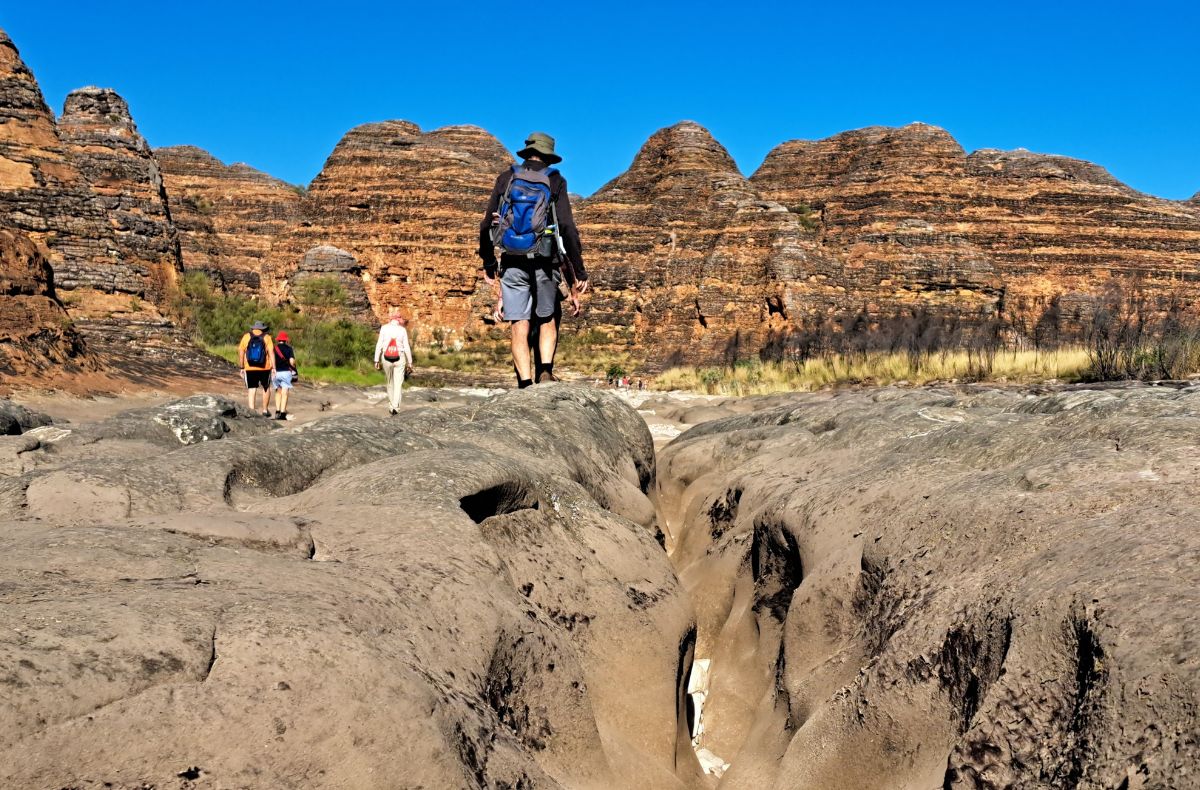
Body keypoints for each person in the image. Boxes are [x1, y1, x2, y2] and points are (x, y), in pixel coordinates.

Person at [478, 131, 589, 388]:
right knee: (547, 316)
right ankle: (546, 372)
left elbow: (486, 225)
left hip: (512, 259)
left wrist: (489, 263)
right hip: (544, 259)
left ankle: (525, 384)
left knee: (519, 321)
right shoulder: (555, 180)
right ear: (548, 157)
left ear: (527, 153)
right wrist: (579, 272)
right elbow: (567, 228)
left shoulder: (507, 178)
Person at [374, 310, 413, 415]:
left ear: (391, 318)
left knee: (390, 383)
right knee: (398, 384)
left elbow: (379, 344)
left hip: (386, 358)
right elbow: (406, 348)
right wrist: (410, 362)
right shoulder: (402, 330)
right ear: (399, 319)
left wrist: (376, 360)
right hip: (399, 358)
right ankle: (396, 407)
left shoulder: (384, 328)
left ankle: (391, 406)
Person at [238, 320, 275, 416]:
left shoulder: (246, 336)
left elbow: (241, 352)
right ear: (263, 329)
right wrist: (274, 368)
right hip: (265, 368)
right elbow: (271, 353)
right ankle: (265, 410)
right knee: (266, 387)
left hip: (250, 367)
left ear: (253, 328)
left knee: (252, 388)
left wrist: (241, 367)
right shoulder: (267, 337)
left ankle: (252, 411)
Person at [272, 331, 298, 420]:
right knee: (285, 392)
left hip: (275, 373)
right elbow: (291, 361)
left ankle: (277, 411)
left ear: (278, 340)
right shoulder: (289, 348)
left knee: (278, 392)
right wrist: (294, 365)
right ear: (286, 340)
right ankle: (283, 413)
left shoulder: (274, 348)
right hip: (286, 372)